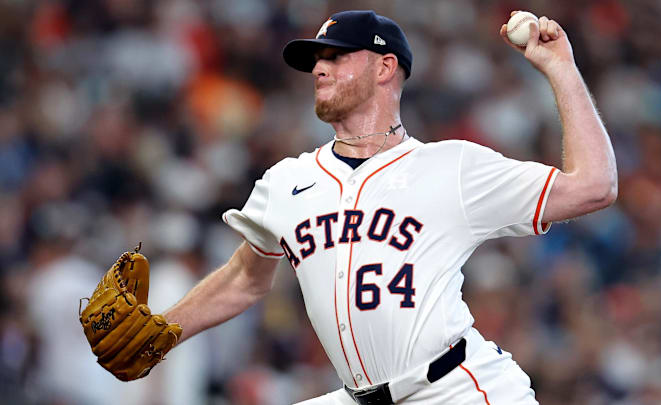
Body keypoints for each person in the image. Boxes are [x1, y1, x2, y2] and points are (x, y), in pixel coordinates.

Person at [162, 10, 617, 405]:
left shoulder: (451, 167)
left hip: (454, 389)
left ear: (384, 67)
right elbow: (245, 277)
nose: (320, 69)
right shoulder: (285, 182)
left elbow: (594, 186)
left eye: (336, 56)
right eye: (317, 60)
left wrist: (562, 70)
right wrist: (163, 331)